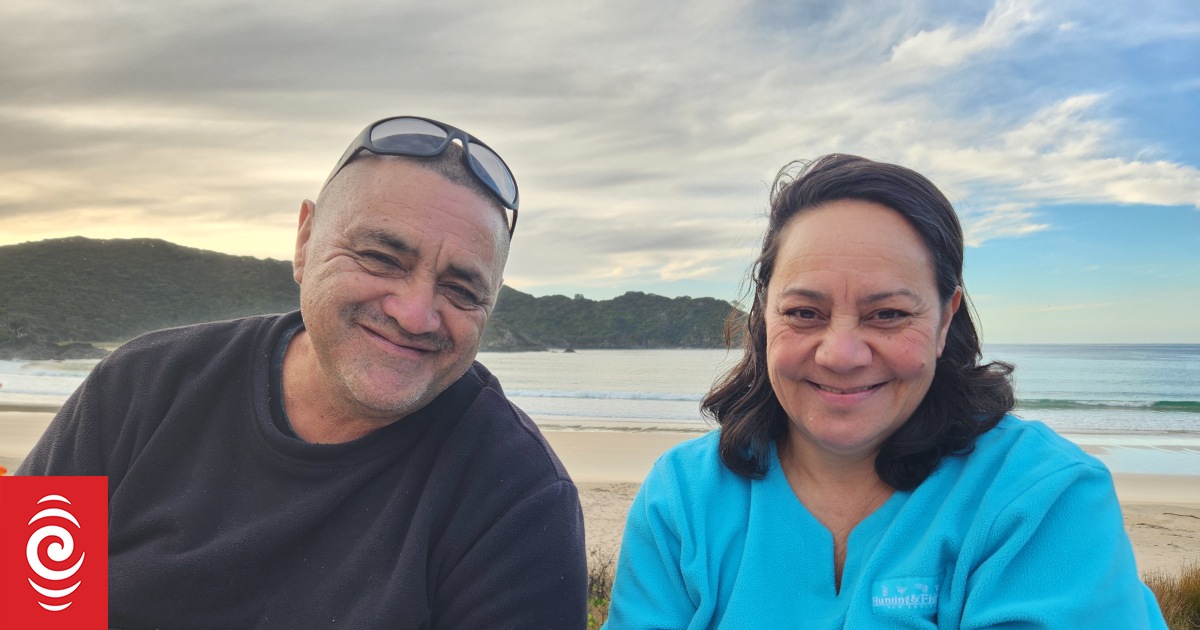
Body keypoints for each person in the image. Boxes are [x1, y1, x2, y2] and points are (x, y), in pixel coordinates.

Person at [20, 116, 588, 629]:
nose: (415, 313)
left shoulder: (519, 499)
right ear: (305, 240)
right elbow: (25, 604)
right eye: (382, 258)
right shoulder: (139, 384)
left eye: (461, 289)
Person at [604, 154, 1166, 628]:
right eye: (804, 312)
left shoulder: (1042, 498)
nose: (841, 354)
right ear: (764, 315)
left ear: (946, 320)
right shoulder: (683, 499)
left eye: (888, 314)